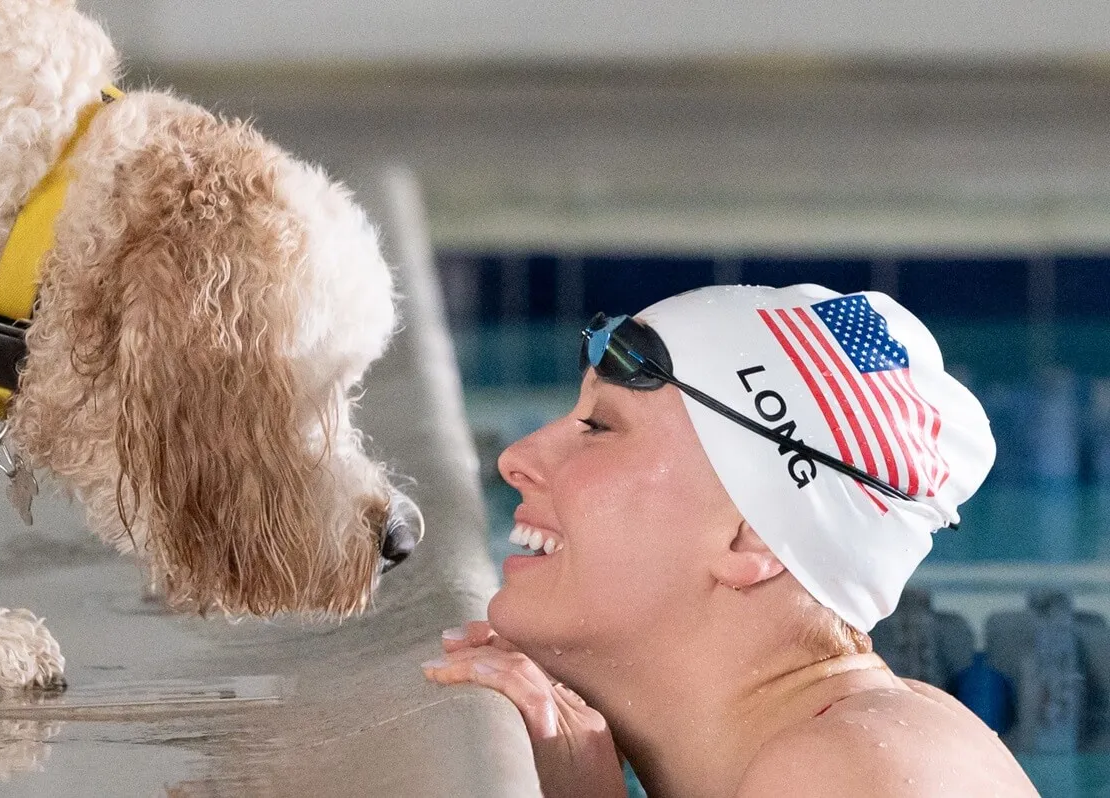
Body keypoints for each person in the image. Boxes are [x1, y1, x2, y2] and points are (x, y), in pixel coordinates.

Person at [422, 284, 1038, 797]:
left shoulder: (845, 770)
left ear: (751, 538)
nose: (516, 460)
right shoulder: (853, 739)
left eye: (599, 427)